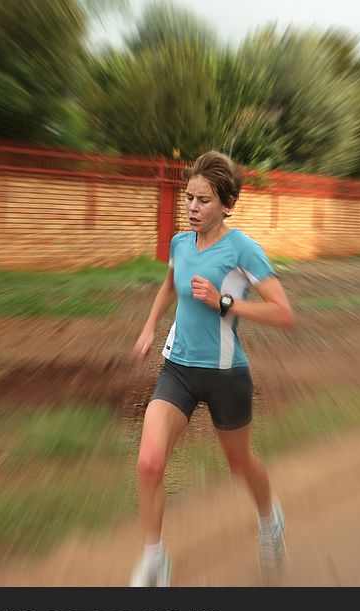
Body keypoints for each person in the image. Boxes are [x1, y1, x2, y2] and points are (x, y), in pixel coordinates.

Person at [130, 150, 296, 587]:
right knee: (149, 462)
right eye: (188, 198)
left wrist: (223, 301)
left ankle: (269, 519)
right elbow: (169, 286)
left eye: (203, 200)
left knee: (240, 465)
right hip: (179, 369)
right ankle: (154, 559)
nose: (192, 208)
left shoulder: (242, 249)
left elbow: (283, 313)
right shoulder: (180, 244)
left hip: (226, 376)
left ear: (226, 204)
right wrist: (149, 327)